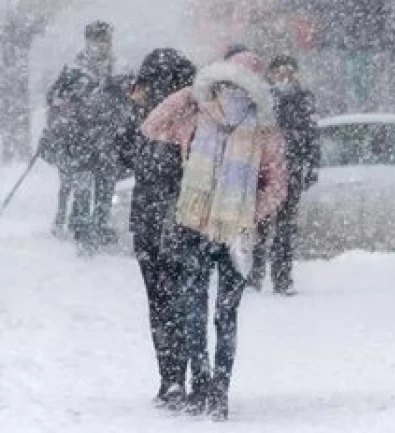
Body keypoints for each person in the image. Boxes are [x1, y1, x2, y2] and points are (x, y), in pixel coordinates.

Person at [141, 49, 288, 420]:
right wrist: (250, 213)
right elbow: (278, 185)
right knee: (224, 315)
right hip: (229, 233)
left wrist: (190, 93)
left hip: (202, 228)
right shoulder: (259, 128)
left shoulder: (202, 116)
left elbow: (152, 124)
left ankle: (204, 387)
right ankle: (217, 391)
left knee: (197, 311)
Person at [117, 48, 197, 409]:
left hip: (151, 221)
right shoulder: (197, 115)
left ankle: (171, 379)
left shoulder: (147, 121)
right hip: (188, 221)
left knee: (161, 304)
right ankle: (196, 376)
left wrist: (132, 108)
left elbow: (120, 158)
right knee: (187, 301)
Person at [249, 54, 320, 295]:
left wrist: (310, 165)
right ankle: (254, 275)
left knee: (286, 228)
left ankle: (282, 278)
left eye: (290, 72)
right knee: (260, 224)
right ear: (271, 75)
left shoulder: (303, 100)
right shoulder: (262, 100)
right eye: (280, 72)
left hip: (292, 171)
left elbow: (312, 136)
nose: (285, 77)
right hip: (265, 173)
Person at [45, 20, 114, 239]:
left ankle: (101, 226)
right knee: (79, 183)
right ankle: (80, 227)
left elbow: (128, 99)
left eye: (105, 40)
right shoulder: (74, 69)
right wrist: (64, 103)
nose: (101, 45)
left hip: (108, 136)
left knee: (106, 184)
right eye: (97, 40)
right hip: (78, 136)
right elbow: (52, 96)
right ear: (88, 41)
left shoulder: (118, 68)